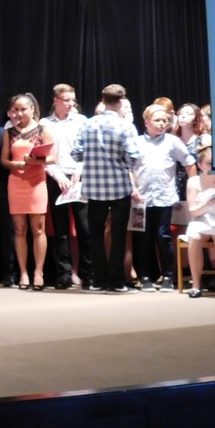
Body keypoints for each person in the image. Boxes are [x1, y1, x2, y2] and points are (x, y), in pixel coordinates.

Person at [72, 84, 140, 293]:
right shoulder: (126, 126)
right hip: (119, 187)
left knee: (95, 235)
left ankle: (98, 279)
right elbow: (134, 157)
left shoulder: (88, 124)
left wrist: (93, 159)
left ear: (102, 100)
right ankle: (116, 281)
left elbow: (76, 153)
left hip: (94, 188)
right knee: (119, 235)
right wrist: (123, 164)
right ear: (120, 102)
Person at [131, 105, 195, 291]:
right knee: (143, 238)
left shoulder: (172, 142)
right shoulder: (136, 142)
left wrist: (194, 186)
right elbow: (128, 167)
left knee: (163, 236)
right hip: (141, 200)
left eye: (165, 121)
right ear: (146, 122)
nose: (162, 124)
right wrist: (133, 187)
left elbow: (189, 162)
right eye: (157, 120)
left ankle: (168, 276)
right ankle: (145, 277)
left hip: (164, 198)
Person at [1, 93, 56, 290]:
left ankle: (38, 272)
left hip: (37, 182)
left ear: (32, 109)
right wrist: (14, 164)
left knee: (38, 228)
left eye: (23, 109)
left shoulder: (43, 129)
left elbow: (53, 158)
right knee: (19, 229)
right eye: (15, 110)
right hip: (16, 182)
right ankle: (23, 272)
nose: (19, 113)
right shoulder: (9, 132)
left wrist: (35, 161)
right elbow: (3, 160)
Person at [44, 83, 91, 289]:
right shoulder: (45, 123)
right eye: (66, 100)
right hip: (57, 178)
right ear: (56, 100)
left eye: (73, 100)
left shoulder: (81, 121)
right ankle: (64, 274)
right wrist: (58, 176)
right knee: (60, 228)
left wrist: (79, 169)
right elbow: (44, 154)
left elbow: (87, 149)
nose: (71, 104)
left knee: (84, 226)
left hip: (78, 177)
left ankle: (88, 274)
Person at [181, 145, 215, 298]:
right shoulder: (193, 182)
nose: (213, 167)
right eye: (209, 163)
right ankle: (196, 285)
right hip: (201, 219)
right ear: (200, 165)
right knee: (195, 238)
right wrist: (207, 205)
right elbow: (193, 211)